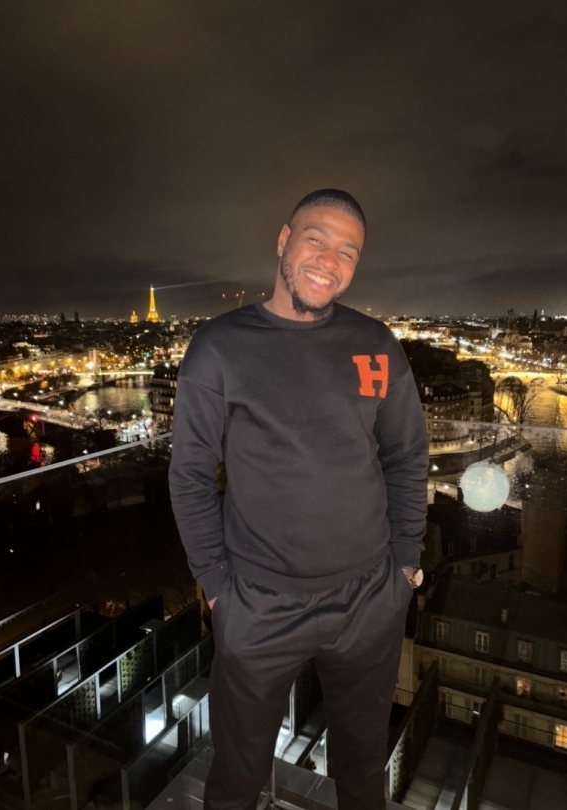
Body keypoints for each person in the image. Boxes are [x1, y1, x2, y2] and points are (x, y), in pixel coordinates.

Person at [169, 189, 429, 810]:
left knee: (363, 771)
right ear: (284, 241)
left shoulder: (376, 343)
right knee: (237, 777)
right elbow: (190, 474)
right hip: (258, 603)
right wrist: (217, 586)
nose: (330, 261)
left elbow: (406, 454)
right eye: (317, 239)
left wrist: (403, 563)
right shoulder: (220, 347)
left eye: (348, 251)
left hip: (370, 598)